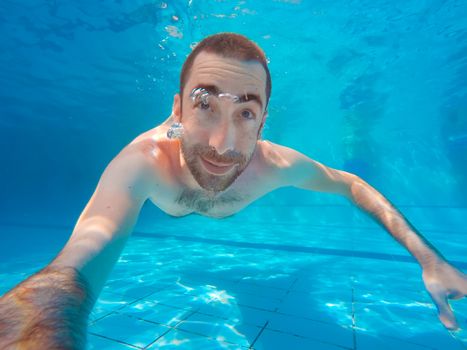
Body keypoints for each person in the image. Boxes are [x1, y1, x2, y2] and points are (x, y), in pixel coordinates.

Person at [0, 32, 465, 349]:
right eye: (204, 105)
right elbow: (73, 267)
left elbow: (351, 184)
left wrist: (430, 259)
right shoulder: (143, 163)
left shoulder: (273, 163)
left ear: (263, 122)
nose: (223, 146)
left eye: (245, 114)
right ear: (178, 109)